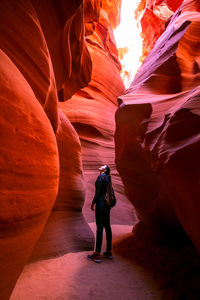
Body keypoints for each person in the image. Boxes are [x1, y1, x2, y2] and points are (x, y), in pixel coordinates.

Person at [88, 165, 113, 263]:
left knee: (100, 227)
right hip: (107, 204)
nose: (100, 166)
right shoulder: (108, 177)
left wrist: (93, 202)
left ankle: (97, 254)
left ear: (105, 170)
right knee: (107, 226)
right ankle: (108, 252)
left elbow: (98, 192)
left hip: (101, 203)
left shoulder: (101, 176)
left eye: (103, 166)